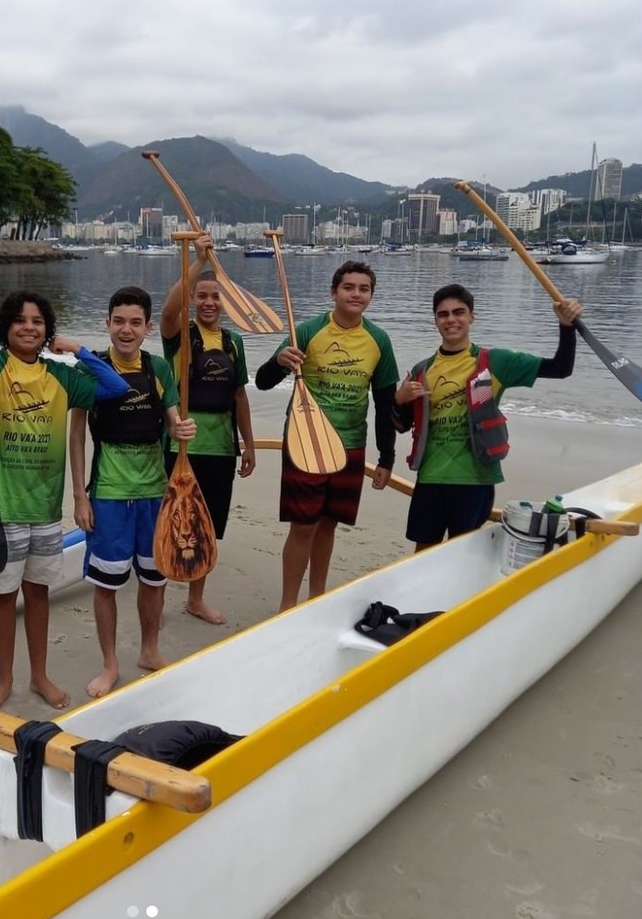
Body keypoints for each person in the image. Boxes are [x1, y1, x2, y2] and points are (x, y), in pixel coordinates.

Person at [0, 292, 128, 711]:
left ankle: (39, 676)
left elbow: (116, 387)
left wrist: (77, 350)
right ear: (4, 328)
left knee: (37, 594)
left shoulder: (61, 375)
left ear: (47, 329)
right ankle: (4, 680)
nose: (29, 327)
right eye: (19, 320)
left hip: (45, 509)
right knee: (3, 596)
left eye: (37, 321)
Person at [69, 286, 197, 698]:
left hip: (156, 493)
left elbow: (176, 423)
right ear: (107, 324)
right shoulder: (91, 370)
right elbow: (76, 437)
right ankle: (110, 664)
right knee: (106, 584)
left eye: (136, 323)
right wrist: (79, 496)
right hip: (108, 492)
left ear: (146, 328)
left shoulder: (159, 369)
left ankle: (149, 650)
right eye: (119, 321)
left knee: (154, 579)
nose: (127, 330)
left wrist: (183, 431)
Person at [393, 283, 583, 551]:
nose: (451, 320)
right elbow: (402, 426)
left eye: (458, 312)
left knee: (463, 554)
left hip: (474, 480)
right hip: (430, 478)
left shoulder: (495, 362)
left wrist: (566, 326)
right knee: (423, 554)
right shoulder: (422, 369)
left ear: (472, 317)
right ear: (435, 320)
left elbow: (560, 368)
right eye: (443, 314)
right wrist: (399, 400)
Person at [256, 260, 399, 610]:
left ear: (371, 296)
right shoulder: (306, 331)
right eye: (349, 287)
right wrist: (280, 362)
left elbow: (384, 404)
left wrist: (386, 457)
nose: (356, 294)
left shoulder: (378, 340)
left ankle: (316, 599)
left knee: (328, 526)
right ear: (333, 292)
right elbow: (261, 381)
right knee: (303, 526)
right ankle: (288, 605)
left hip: (350, 444)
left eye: (363, 289)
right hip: (306, 442)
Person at [159, 232, 255, 625]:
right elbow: (166, 313)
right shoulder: (181, 335)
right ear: (194, 300)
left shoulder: (234, 344)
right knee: (171, 521)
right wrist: (197, 262)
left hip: (220, 448)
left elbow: (239, 396)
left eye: (216, 297)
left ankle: (196, 598)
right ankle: (158, 594)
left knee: (209, 525)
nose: (210, 303)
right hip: (182, 447)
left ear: (225, 303)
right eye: (202, 296)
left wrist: (248, 445)